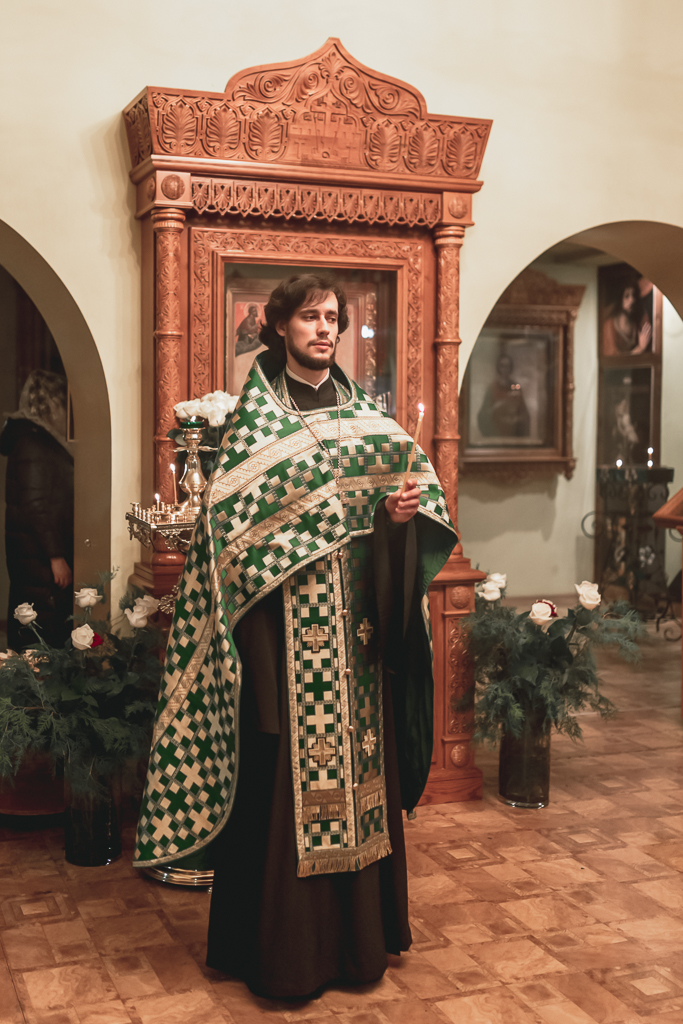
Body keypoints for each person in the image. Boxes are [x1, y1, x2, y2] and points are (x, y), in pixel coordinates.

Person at [134, 274, 456, 999]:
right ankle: (284, 956)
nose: (324, 328)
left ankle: (357, 947)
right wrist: (261, 657)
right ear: (280, 325)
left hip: (358, 640)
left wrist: (395, 520)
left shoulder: (369, 422)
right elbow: (226, 543)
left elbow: (397, 526)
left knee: (360, 782)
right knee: (278, 788)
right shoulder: (255, 427)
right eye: (310, 316)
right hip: (283, 643)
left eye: (333, 317)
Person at [0, 370, 73, 650]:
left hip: (34, 555)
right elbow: (36, 503)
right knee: (40, 632)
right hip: (39, 558)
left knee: (37, 627)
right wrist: (56, 556)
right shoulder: (33, 442)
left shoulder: (35, 439)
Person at [477, 351, 530, 438]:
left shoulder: (516, 388)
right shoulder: (492, 388)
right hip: (496, 434)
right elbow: (483, 415)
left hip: (512, 435)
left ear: (511, 368)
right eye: (502, 366)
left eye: (508, 366)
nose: (505, 369)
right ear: (498, 367)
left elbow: (524, 414)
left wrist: (516, 420)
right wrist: (497, 407)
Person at [602, 280, 653, 355]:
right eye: (626, 296)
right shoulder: (609, 325)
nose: (632, 300)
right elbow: (613, 357)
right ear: (619, 299)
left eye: (633, 295)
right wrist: (640, 348)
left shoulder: (635, 324)